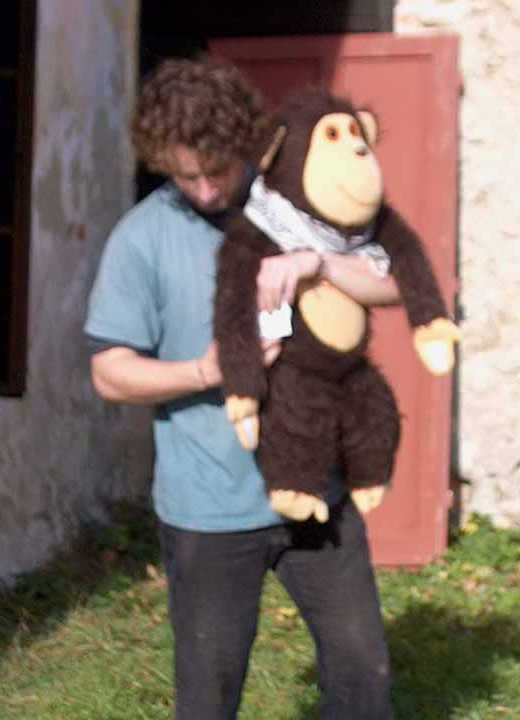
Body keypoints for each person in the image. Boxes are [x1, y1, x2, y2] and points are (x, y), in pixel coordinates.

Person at [84, 57, 400, 720]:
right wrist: (205, 371)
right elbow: (109, 372)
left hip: (320, 491)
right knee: (209, 697)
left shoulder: (302, 198)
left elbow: (396, 282)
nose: (204, 190)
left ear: (244, 146)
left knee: (363, 677)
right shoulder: (142, 238)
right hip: (208, 510)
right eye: (185, 175)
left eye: (217, 171)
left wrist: (318, 261)